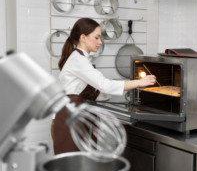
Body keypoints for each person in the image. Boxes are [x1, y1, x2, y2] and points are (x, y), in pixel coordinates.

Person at [53, 18, 156, 155]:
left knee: (82, 165)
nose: (100, 42)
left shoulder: (82, 59)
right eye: (96, 38)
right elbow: (104, 85)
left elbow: (88, 89)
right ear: (83, 38)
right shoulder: (78, 60)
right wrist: (139, 82)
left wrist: (105, 98)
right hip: (70, 119)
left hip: (78, 116)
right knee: (71, 169)